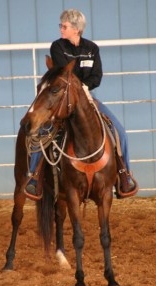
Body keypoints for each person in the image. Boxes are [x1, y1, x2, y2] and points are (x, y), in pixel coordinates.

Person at [25, 8, 138, 199]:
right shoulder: (58, 47)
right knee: (43, 131)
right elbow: (64, 75)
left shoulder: (92, 49)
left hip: (87, 96)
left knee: (119, 131)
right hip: (63, 99)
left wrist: (85, 87)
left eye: (65, 26)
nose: (61, 29)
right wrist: (75, 89)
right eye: (61, 25)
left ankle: (123, 174)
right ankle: (35, 176)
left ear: (76, 29)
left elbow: (97, 76)